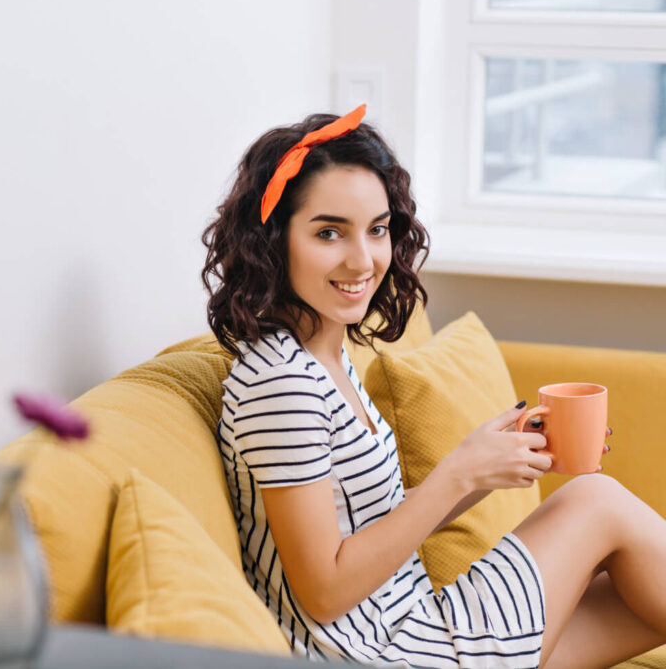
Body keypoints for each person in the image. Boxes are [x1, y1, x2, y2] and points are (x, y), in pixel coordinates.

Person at [200, 105, 666, 668]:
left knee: (636, 599)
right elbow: (323, 592)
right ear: (273, 241)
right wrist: (459, 471)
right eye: (329, 233)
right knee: (598, 502)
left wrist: (490, 467)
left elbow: (374, 527)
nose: (363, 259)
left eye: (377, 230)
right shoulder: (281, 385)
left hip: (411, 623)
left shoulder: (324, 355)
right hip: (387, 652)